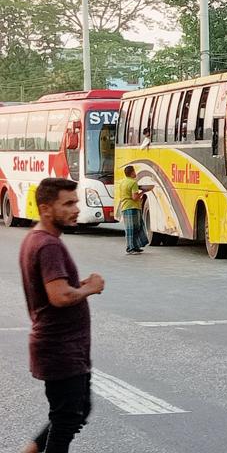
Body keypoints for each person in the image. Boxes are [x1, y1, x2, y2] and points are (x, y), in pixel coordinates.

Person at [19, 177, 105, 453]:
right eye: (68, 203)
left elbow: (53, 289)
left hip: (65, 348)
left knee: (77, 409)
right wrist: (89, 288)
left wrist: (75, 286)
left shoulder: (37, 239)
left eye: (76, 202)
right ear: (46, 209)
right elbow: (59, 296)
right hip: (60, 348)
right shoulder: (48, 245)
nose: (76, 209)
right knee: (66, 419)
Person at [116, 165, 149, 255]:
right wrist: (143, 192)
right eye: (134, 171)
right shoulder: (133, 183)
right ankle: (131, 248)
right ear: (132, 173)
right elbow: (134, 197)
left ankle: (135, 246)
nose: (135, 173)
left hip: (125, 207)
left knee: (132, 228)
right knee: (133, 228)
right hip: (132, 207)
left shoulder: (123, 182)